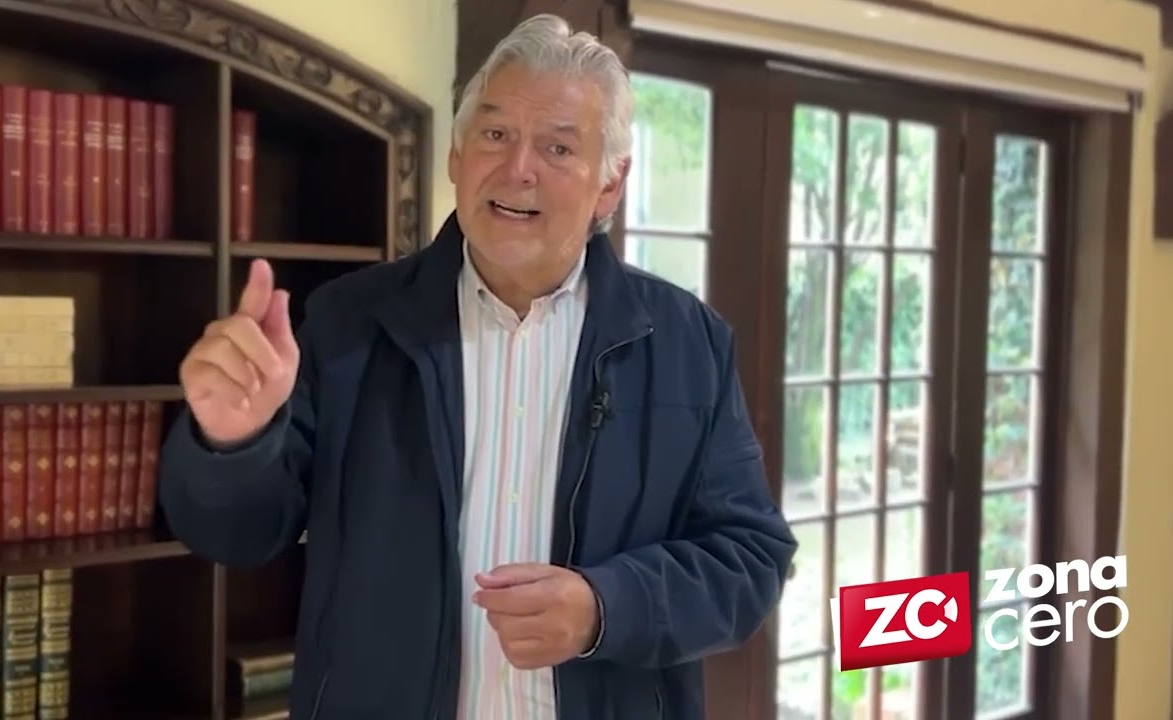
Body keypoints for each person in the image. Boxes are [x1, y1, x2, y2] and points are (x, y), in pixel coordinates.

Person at [158, 13, 797, 720]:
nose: (518, 168)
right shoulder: (350, 322)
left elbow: (749, 561)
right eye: (495, 135)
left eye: (558, 146)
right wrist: (233, 444)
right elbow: (237, 534)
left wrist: (605, 608)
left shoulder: (685, 342)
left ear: (610, 185)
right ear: (458, 156)